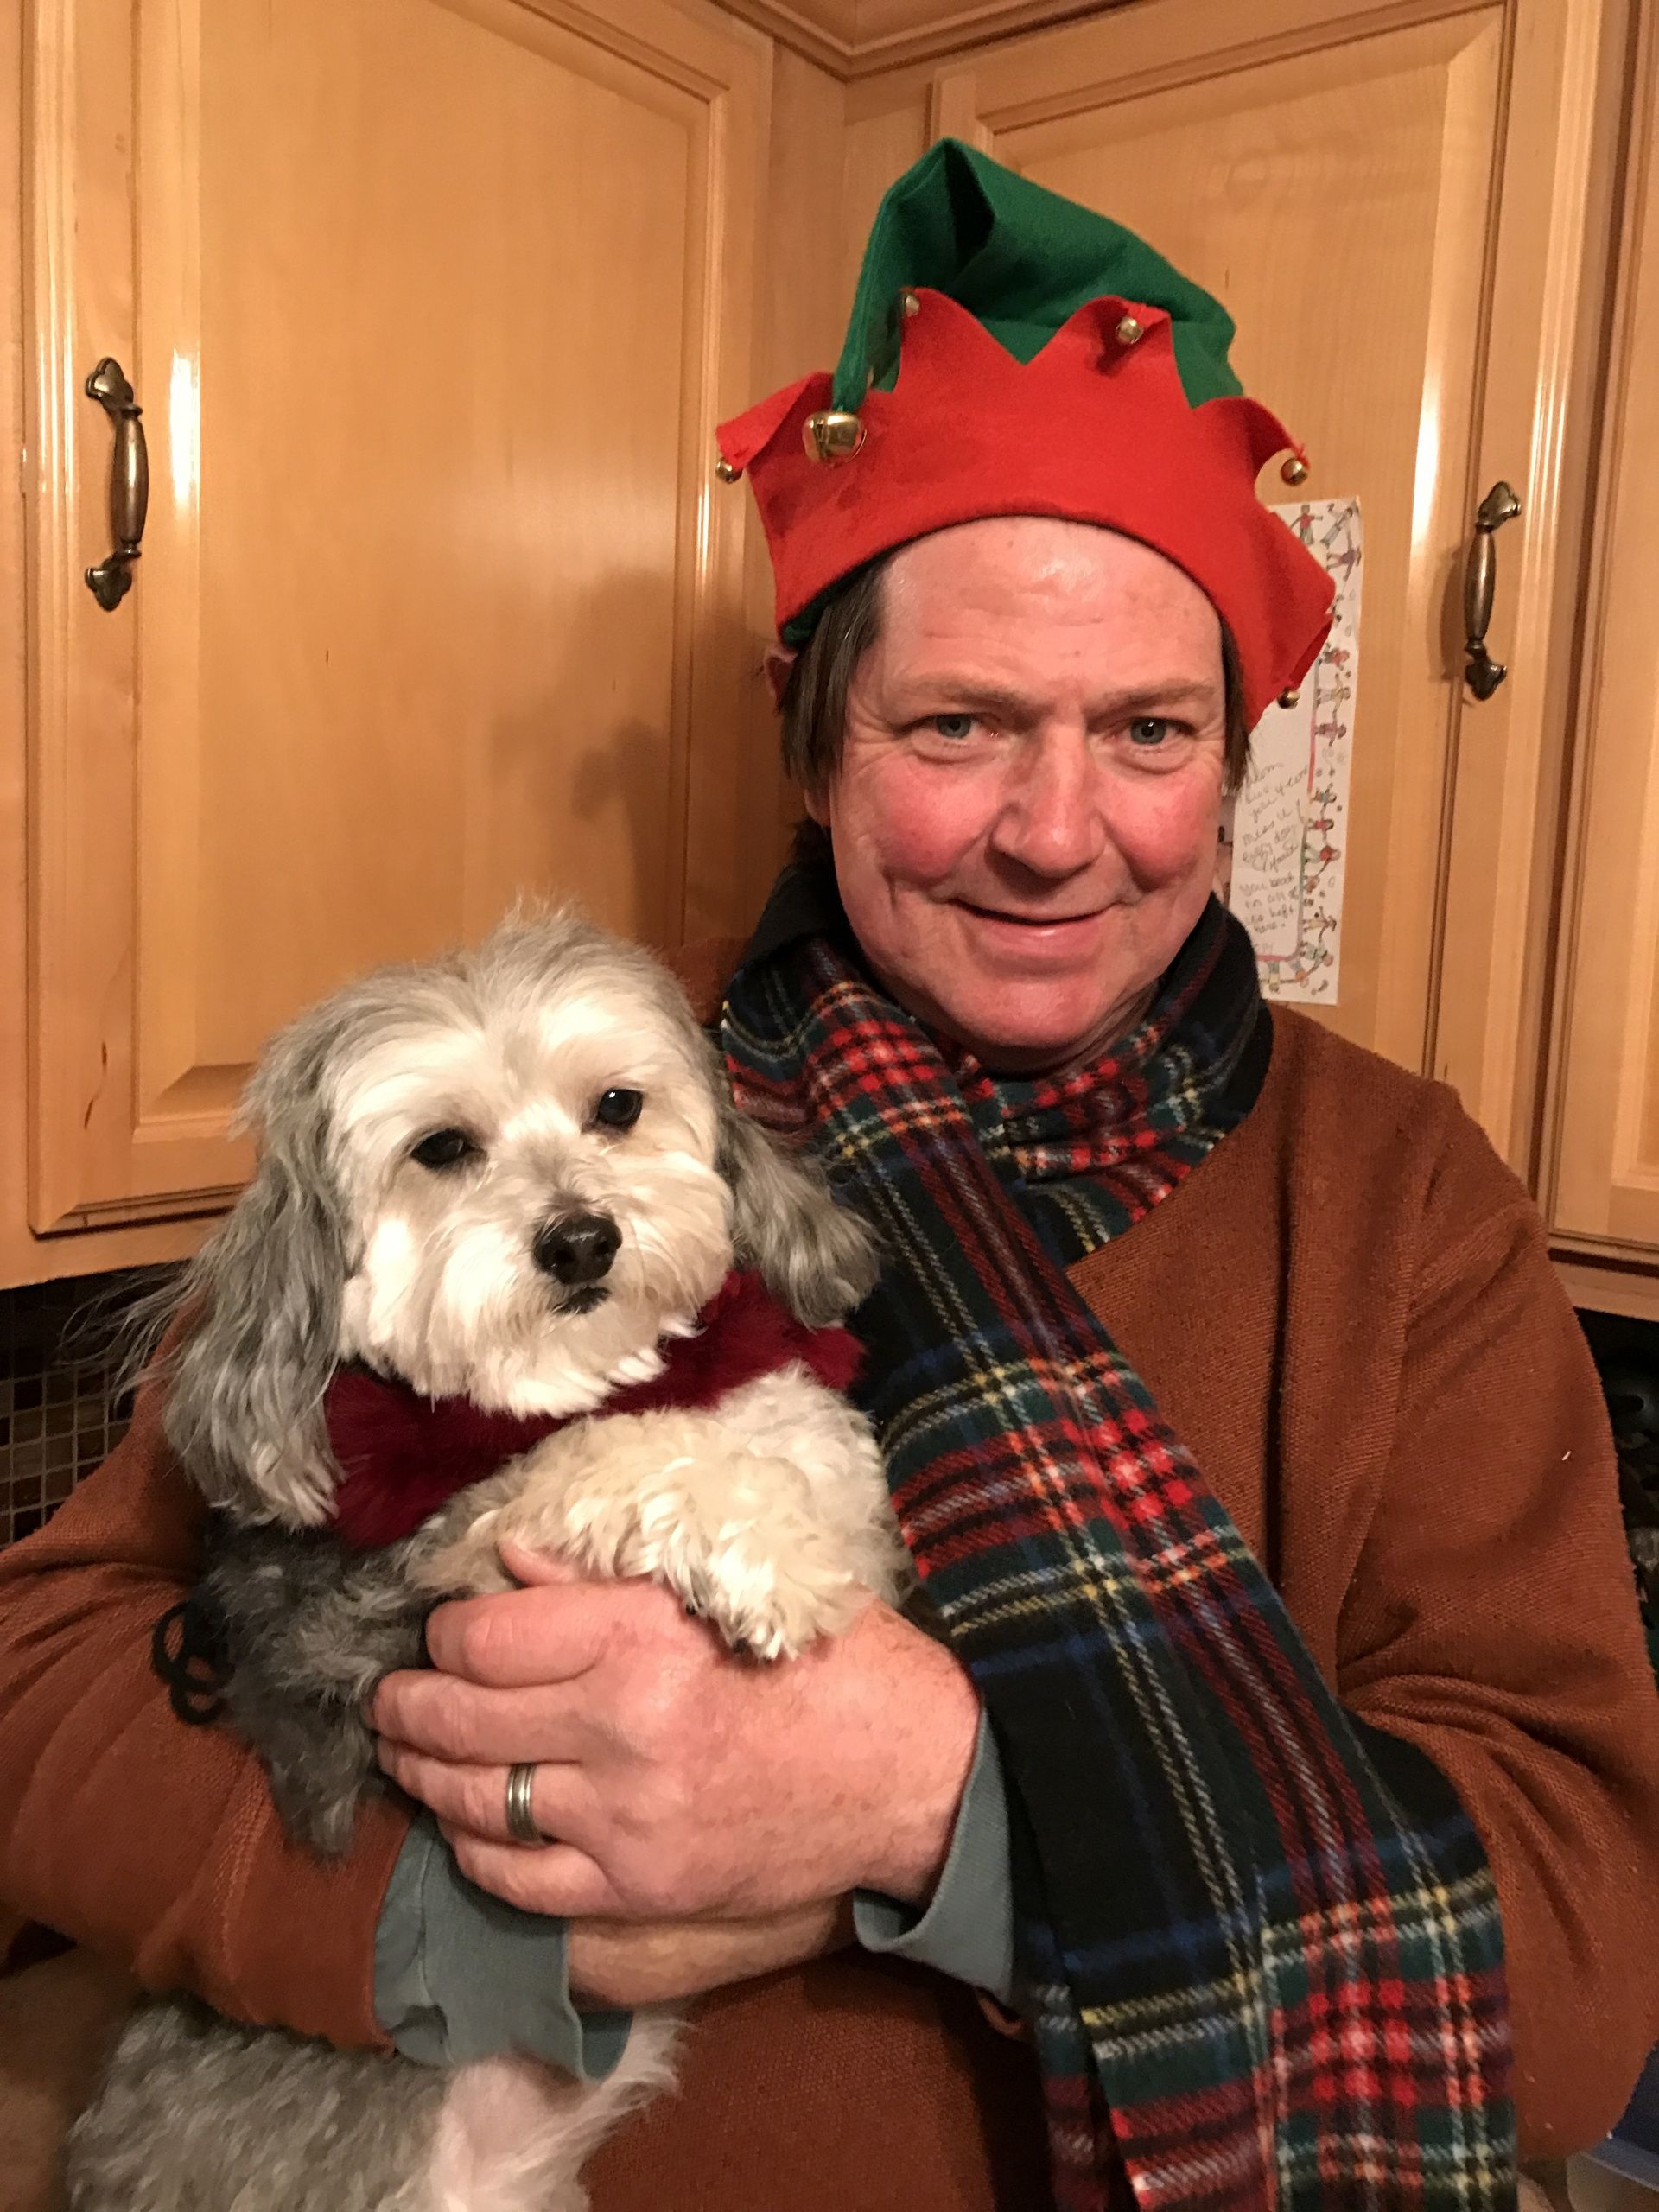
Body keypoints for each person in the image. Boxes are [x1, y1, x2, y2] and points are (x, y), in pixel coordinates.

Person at [3, 141, 1658, 2209]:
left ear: (1235, 760)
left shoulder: (1407, 1200)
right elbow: (45, 1667)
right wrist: (468, 1926)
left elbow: (1587, 1958)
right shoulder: (589, 1089)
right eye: (959, 723)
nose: (1060, 830)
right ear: (813, 740)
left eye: (1148, 731)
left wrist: (942, 1805)